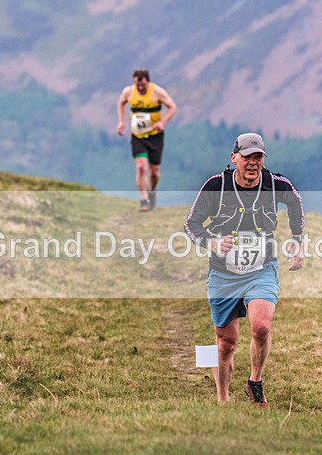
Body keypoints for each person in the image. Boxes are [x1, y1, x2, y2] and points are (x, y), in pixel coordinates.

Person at [184, 133, 305, 408]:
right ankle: (223, 401)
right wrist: (211, 242)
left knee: (261, 326)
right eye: (247, 156)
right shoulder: (217, 186)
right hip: (223, 275)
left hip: (261, 270)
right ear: (234, 157)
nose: (253, 163)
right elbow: (191, 225)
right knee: (226, 342)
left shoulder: (275, 184)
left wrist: (297, 241)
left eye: (258, 157)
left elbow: (296, 202)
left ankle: (255, 382)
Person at [116, 69, 177, 211]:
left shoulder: (157, 92)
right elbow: (121, 103)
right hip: (137, 136)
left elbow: (172, 107)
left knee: (154, 171)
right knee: (141, 167)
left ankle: (152, 192)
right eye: (138, 85)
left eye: (143, 85)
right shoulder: (128, 92)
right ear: (134, 82)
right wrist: (121, 122)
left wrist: (163, 122)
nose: (141, 88)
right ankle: (144, 200)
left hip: (155, 135)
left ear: (148, 81)